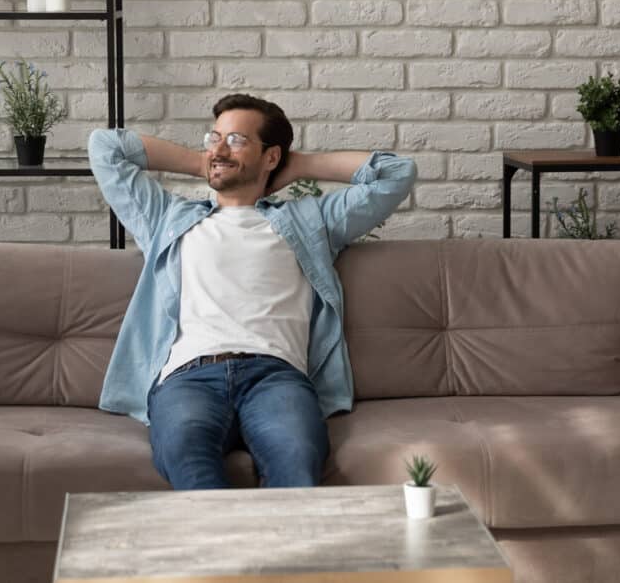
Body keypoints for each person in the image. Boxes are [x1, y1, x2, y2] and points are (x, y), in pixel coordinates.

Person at [89, 93, 416, 490]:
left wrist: (300, 167)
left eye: (237, 140)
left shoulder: (310, 221)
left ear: (272, 157)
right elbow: (105, 148)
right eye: (215, 137)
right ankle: (229, 553)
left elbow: (396, 173)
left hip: (275, 377)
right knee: (186, 458)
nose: (220, 148)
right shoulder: (167, 217)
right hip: (189, 379)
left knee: (296, 461)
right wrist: (207, 161)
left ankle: (279, 551)